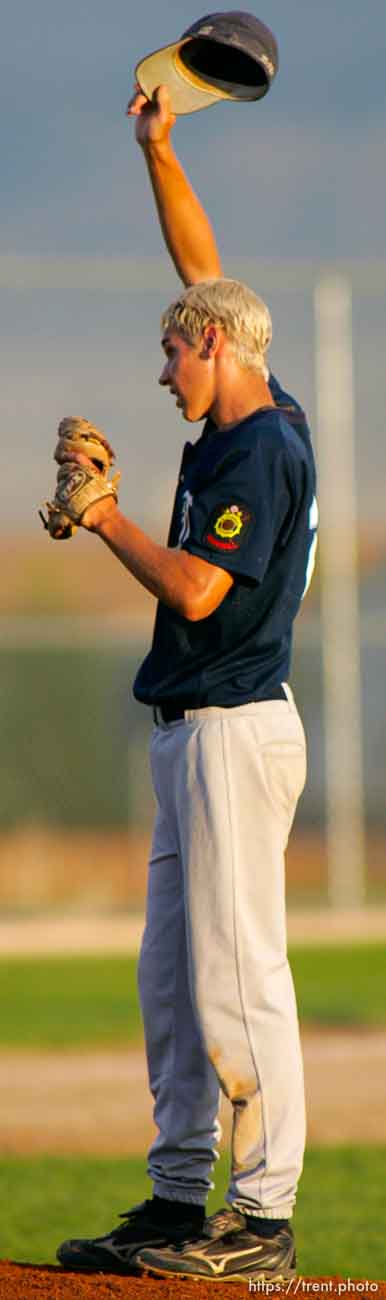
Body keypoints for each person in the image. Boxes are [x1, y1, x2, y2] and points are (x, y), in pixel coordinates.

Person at [57, 89, 317, 1285]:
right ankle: (176, 1198)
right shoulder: (246, 405)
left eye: (175, 345)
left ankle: (259, 1219)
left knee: (237, 972)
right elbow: (204, 268)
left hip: (232, 727)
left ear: (217, 347)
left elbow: (202, 594)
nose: (163, 367)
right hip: (190, 731)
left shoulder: (259, 448)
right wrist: (158, 150)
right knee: (172, 979)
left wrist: (103, 518)